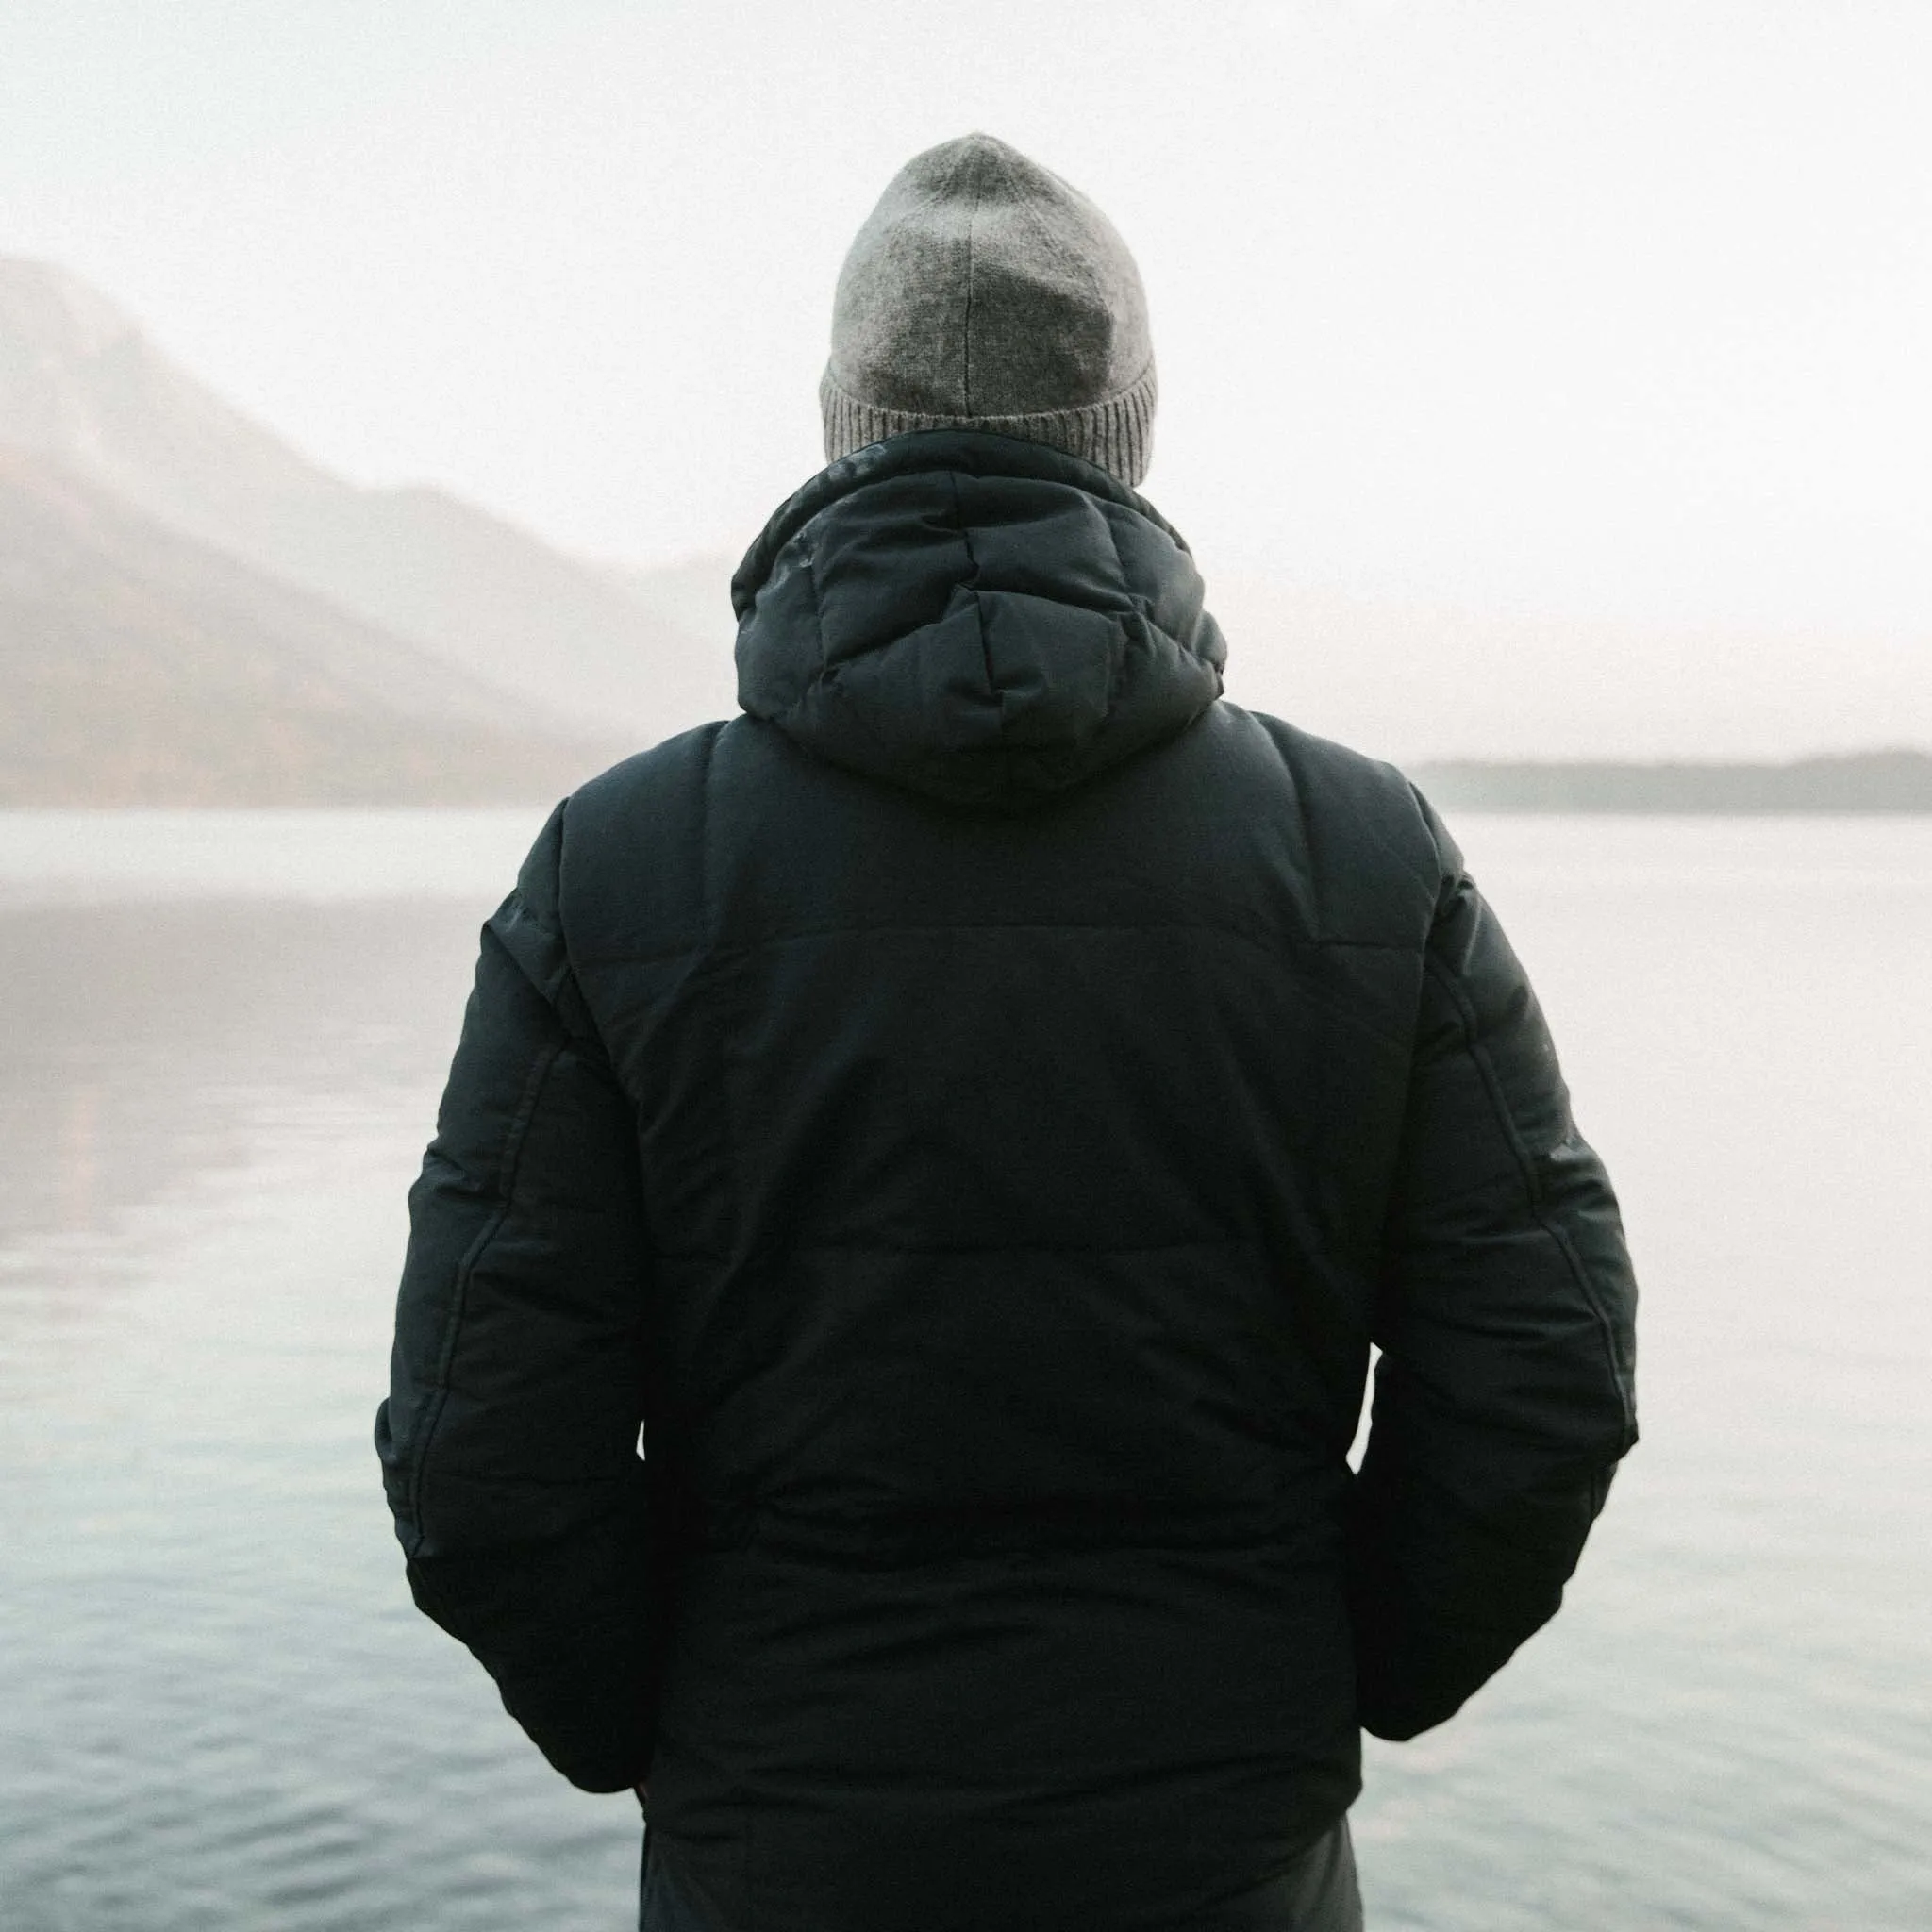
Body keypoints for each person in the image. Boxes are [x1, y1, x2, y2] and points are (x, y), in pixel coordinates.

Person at [376, 132, 1638, 1932]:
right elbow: (1547, 1377)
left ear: (841, 424)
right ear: (1130, 434)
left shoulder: (621, 869)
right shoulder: (1364, 858)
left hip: (781, 1848)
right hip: (1230, 1859)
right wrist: (1315, 1680)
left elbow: (477, 1446)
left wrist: (681, 1734)